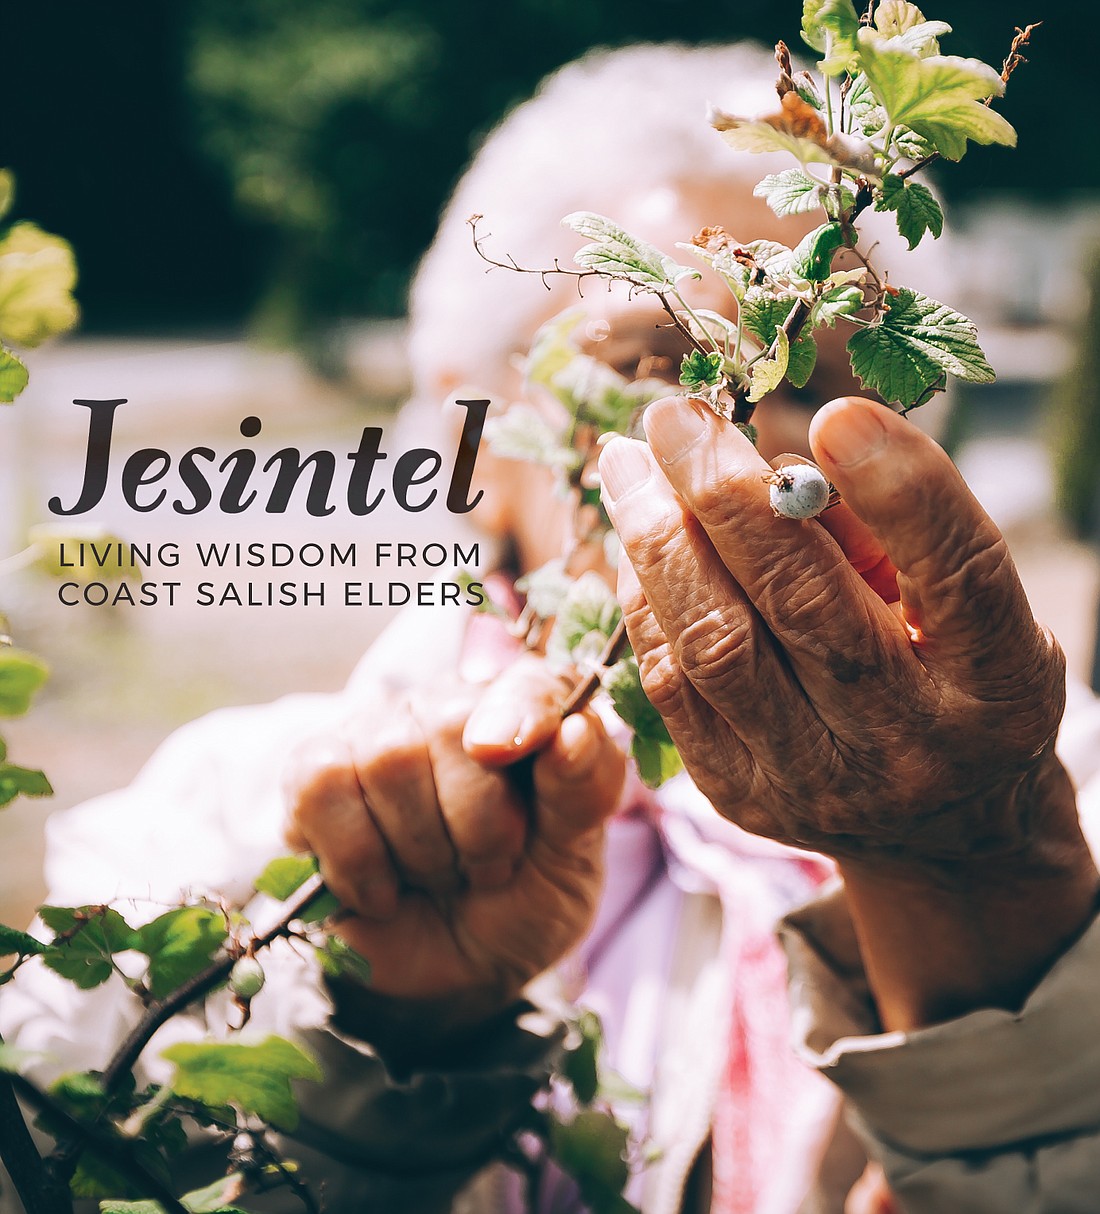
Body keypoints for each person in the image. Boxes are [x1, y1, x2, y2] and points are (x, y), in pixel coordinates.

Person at [5, 42, 1100, 1214]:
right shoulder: (235, 811)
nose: (756, 449)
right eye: (658, 364)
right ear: (466, 430)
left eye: (825, 384)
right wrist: (373, 1038)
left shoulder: (1051, 795)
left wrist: (973, 888)